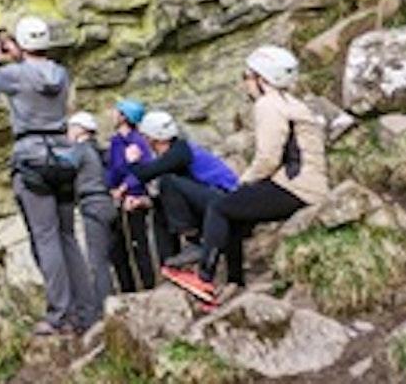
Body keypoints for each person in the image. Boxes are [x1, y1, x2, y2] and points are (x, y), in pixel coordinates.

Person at [164, 46, 330, 302]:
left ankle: (204, 279)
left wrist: (245, 181)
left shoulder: (268, 105)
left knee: (219, 208)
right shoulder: (292, 104)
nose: (245, 83)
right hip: (308, 184)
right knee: (234, 215)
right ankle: (234, 281)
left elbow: (268, 157)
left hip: (296, 187)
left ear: (263, 79)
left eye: (247, 76)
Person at [0, 16, 93, 336]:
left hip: (32, 158)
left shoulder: (15, 74)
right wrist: (20, 55)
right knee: (68, 237)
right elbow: (37, 74)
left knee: (46, 237)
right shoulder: (61, 74)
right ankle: (86, 310)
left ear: (23, 44)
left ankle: (59, 314)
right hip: (63, 156)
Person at [124, 111, 238, 265]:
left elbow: (145, 174)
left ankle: (194, 241)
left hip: (223, 199)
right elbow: (174, 198)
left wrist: (133, 162)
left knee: (167, 182)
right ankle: (169, 260)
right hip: (213, 197)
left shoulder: (179, 152)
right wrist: (143, 202)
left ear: (151, 138)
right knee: (160, 207)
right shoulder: (178, 151)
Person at [67, 111, 113, 327]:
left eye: (71, 128)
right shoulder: (99, 150)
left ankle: (104, 309)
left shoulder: (80, 150)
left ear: (80, 130)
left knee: (98, 262)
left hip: (92, 204)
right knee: (112, 259)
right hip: (107, 203)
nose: (68, 132)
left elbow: (63, 171)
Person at [106, 99, 157, 291]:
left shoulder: (138, 142)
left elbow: (143, 169)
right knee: (119, 248)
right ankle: (128, 288)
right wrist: (111, 188)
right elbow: (112, 169)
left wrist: (125, 187)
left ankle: (148, 285)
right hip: (118, 198)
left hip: (134, 198)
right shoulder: (116, 142)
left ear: (124, 117)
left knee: (138, 244)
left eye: (117, 112)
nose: (113, 115)